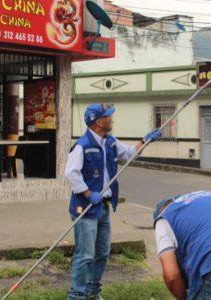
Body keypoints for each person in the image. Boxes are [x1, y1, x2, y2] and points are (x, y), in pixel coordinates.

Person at [65, 103, 161, 300]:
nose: (111, 119)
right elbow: (71, 173)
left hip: (103, 207)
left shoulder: (109, 142)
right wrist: (87, 193)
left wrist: (145, 140)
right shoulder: (82, 146)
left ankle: (93, 291)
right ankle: (76, 295)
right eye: (108, 116)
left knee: (102, 253)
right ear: (99, 122)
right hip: (87, 208)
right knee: (85, 256)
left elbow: (128, 154)